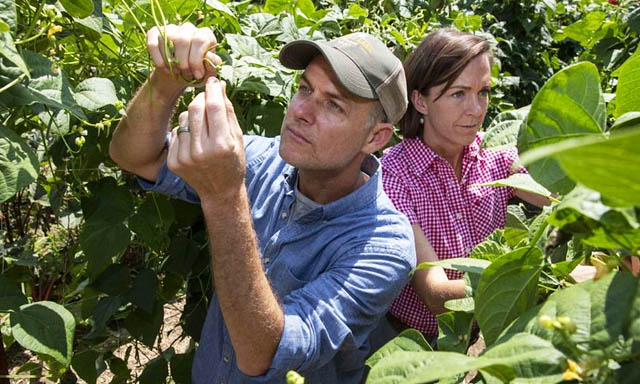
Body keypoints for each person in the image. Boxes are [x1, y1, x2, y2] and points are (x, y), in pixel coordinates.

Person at [109, 23, 416, 383]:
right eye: (305, 88)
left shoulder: (384, 245)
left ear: (375, 137)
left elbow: (266, 354)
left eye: (333, 104)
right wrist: (166, 81)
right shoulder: (262, 160)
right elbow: (134, 157)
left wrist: (224, 196)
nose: (302, 110)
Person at [373, 28, 552, 347]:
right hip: (409, 336)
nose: (476, 109)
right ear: (420, 100)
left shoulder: (492, 156)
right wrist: (543, 282)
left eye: (482, 92)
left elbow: (561, 198)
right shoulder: (395, 176)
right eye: (458, 94)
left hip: (475, 329)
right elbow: (437, 295)